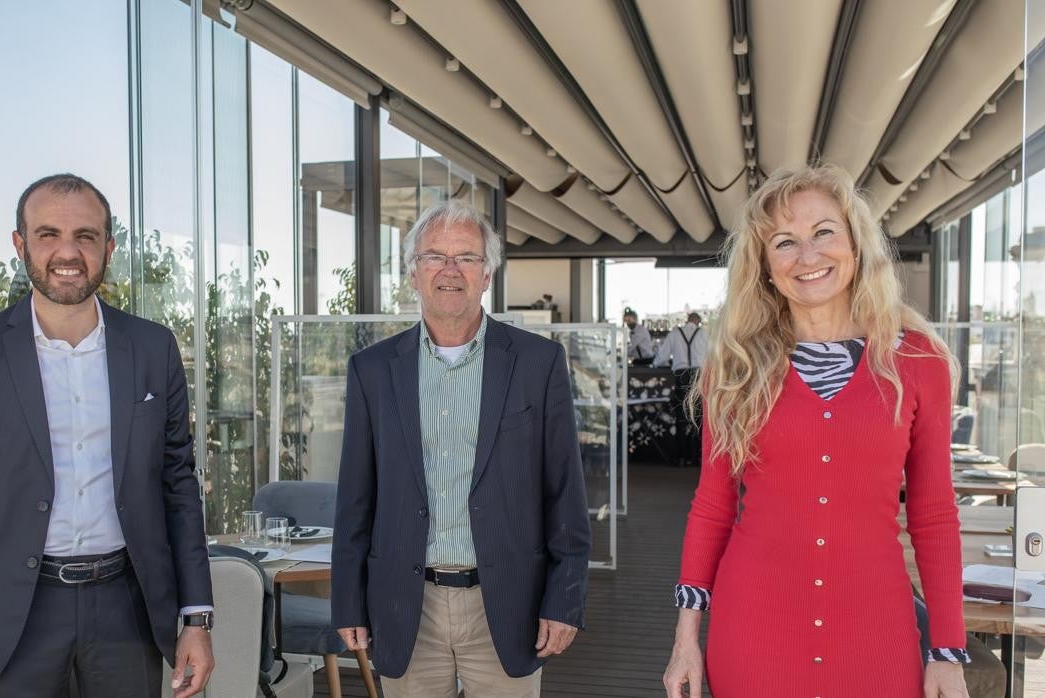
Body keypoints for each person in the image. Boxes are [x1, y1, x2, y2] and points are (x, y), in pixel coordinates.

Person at [663, 164, 968, 697]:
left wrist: (947, 650)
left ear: (855, 242)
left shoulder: (919, 361)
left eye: (824, 232)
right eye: (785, 242)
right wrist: (686, 636)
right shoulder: (733, 368)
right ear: (764, 266)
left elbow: (935, 513)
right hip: (754, 628)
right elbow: (712, 505)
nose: (808, 256)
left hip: (876, 631)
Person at [0, 174, 215, 698]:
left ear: (109, 246)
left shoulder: (153, 349)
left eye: (86, 235)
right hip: (13, 617)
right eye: (48, 234)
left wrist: (196, 618)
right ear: (20, 244)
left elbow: (178, 486)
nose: (67, 252)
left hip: (128, 611)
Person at [332, 199, 591, 697]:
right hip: (407, 604)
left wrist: (565, 598)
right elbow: (355, 500)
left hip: (508, 603)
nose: (450, 270)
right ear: (413, 273)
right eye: (434, 256)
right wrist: (349, 601)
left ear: (487, 273)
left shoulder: (538, 363)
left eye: (467, 257)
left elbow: (565, 493)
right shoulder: (373, 370)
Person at [653, 313, 708, 466]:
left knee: (681, 418)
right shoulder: (703, 334)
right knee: (698, 418)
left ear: (687, 321)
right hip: (698, 376)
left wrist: (655, 363)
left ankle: (681, 458)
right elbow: (712, 357)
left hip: (681, 376)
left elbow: (661, 358)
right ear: (698, 322)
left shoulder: (675, 333)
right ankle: (697, 458)